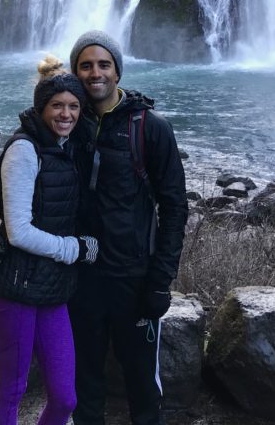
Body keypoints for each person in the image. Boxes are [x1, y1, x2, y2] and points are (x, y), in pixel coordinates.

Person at [67, 30, 188, 425]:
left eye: (104, 64)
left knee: (141, 382)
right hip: (80, 277)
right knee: (83, 381)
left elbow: (174, 207)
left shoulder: (150, 127)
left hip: (132, 279)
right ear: (75, 72)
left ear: (117, 71)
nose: (95, 73)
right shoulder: (67, 121)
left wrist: (160, 280)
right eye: (86, 65)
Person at [0, 55, 100, 425]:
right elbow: (18, 231)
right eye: (57, 106)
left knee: (65, 398)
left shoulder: (67, 150)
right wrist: (75, 249)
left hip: (52, 289)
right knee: (13, 389)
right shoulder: (24, 150)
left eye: (74, 106)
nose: (66, 114)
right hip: (15, 286)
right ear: (41, 107)